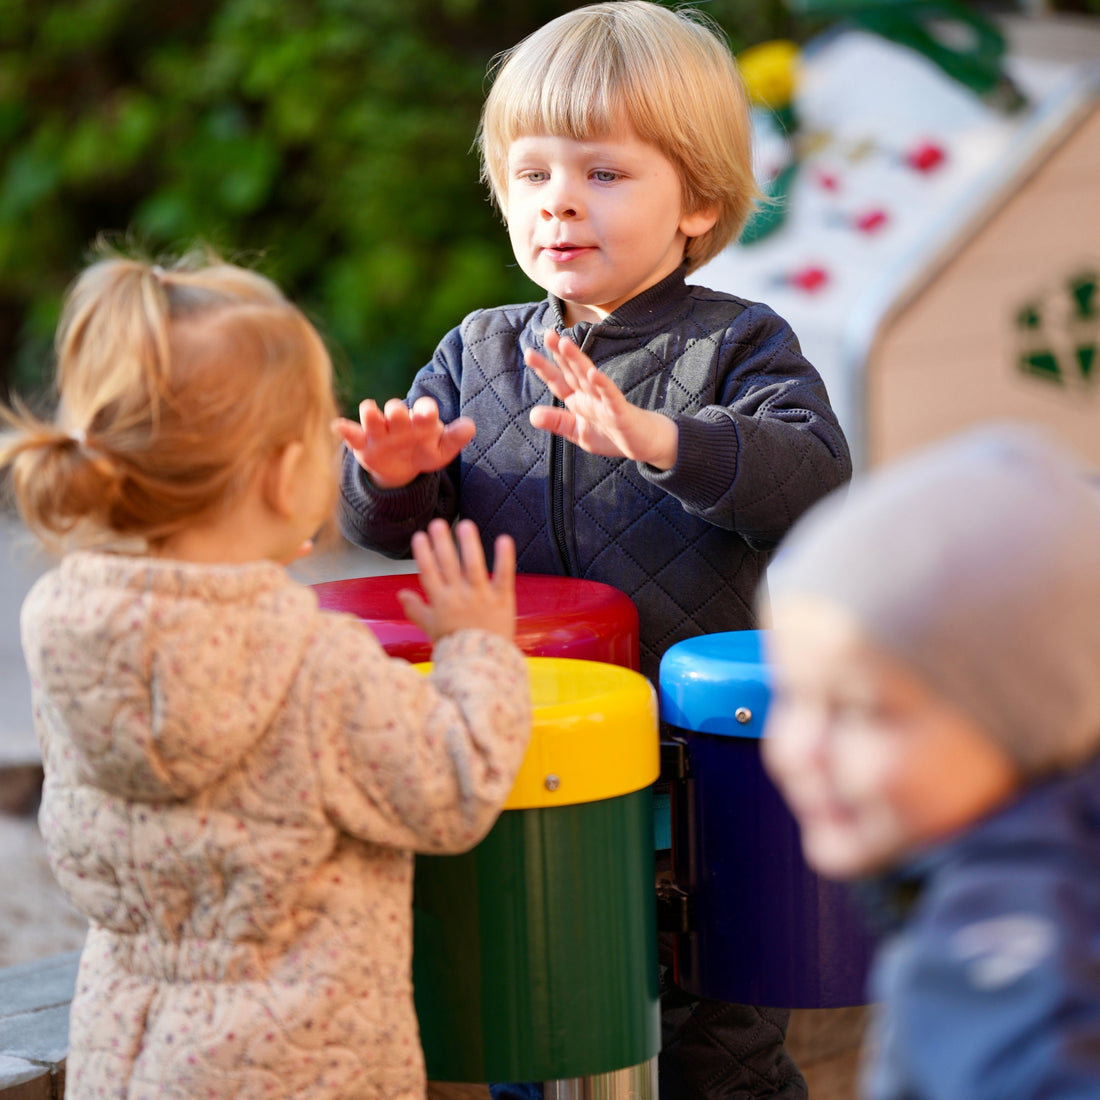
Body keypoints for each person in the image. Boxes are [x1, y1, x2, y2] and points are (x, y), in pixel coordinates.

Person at [335, 3, 851, 1096]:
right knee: (538, 1016)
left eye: (603, 173)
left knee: (718, 1044)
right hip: (535, 764)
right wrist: (392, 478)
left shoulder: (735, 341)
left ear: (698, 199)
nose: (558, 199)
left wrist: (662, 437)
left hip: (694, 778)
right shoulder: (476, 351)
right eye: (531, 174)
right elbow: (398, 534)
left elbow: (812, 474)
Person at [5, 249, 532, 1100]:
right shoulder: (311, 661)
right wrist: (477, 648)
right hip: (303, 1063)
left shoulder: (62, 623)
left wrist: (244, 561)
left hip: (126, 1050)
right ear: (288, 477)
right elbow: (451, 789)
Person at [761, 424, 1100, 1100]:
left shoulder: (1001, 970)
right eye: (792, 695)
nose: (801, 748)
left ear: (1020, 711)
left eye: (859, 711)